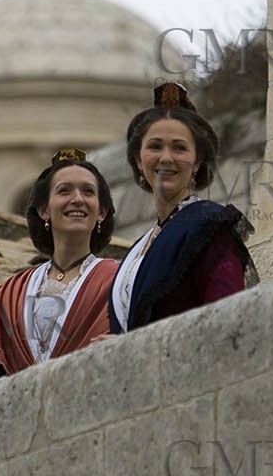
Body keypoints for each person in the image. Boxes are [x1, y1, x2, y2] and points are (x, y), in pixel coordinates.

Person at [109, 82, 256, 334]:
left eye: (179, 147)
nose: (166, 158)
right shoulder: (137, 249)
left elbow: (227, 318)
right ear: (138, 159)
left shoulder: (210, 225)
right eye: (155, 146)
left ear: (197, 162)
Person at [0, 150, 118, 380]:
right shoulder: (9, 296)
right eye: (64, 190)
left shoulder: (123, 283)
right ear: (44, 210)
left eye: (88, 191)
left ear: (101, 212)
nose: (77, 199)